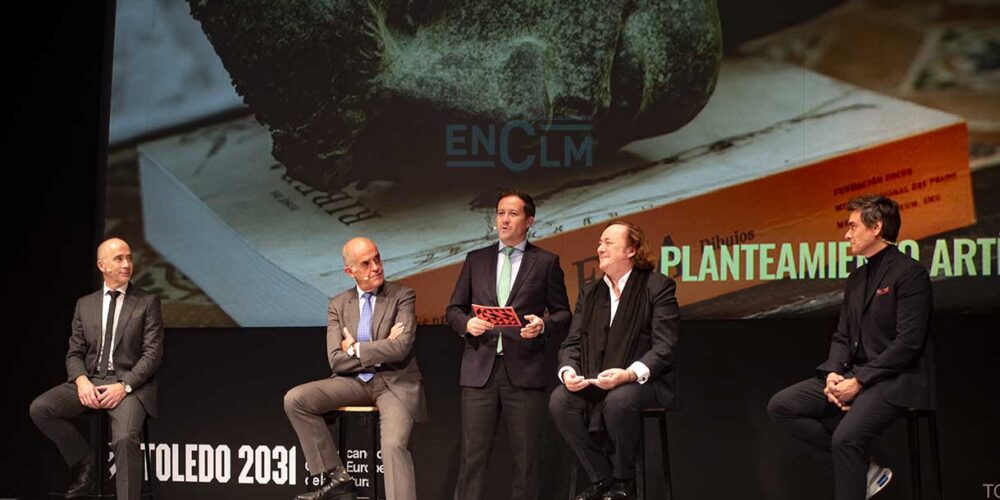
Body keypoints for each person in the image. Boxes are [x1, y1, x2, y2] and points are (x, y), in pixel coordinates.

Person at [767, 195, 936, 500]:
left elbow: (908, 344)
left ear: (877, 227)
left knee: (845, 439)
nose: (847, 234)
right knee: (782, 406)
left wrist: (859, 382)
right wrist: (834, 373)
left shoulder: (910, 274)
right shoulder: (856, 278)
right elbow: (843, 336)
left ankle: (856, 470)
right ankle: (865, 471)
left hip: (895, 379)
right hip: (855, 375)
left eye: (853, 226)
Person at [446, 189, 571, 500]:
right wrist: (467, 325)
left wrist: (543, 325)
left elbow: (563, 313)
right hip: (480, 370)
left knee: (526, 460)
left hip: (524, 370)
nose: (504, 219)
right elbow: (453, 310)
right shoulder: (476, 259)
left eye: (512, 214)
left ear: (529, 221)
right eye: (501, 212)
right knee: (472, 458)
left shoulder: (544, 262)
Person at [284, 237, 426, 500]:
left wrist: (357, 349)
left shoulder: (402, 296)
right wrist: (381, 346)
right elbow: (336, 360)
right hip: (354, 382)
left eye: (377, 258)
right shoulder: (338, 304)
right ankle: (336, 477)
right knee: (296, 399)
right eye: (366, 263)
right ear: (350, 271)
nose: (376, 267)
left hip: (394, 382)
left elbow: (402, 348)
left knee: (393, 446)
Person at [549, 221, 680, 500]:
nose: (600, 248)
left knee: (619, 401)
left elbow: (665, 346)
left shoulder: (657, 286)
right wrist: (568, 371)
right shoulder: (591, 293)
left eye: (608, 242)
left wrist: (629, 374)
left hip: (645, 382)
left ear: (632, 249)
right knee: (561, 401)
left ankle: (625, 479)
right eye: (599, 242)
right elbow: (572, 342)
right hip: (598, 378)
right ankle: (602, 477)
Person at [29, 238, 164, 500]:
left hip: (128, 387)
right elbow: (74, 353)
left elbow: (152, 355)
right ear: (102, 265)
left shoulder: (147, 302)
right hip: (91, 381)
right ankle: (91, 462)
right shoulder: (85, 304)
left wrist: (123, 386)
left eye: (129, 258)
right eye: (119, 259)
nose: (127, 264)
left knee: (124, 439)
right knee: (41, 409)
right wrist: (81, 380)